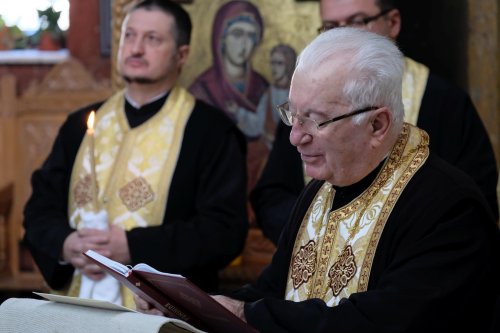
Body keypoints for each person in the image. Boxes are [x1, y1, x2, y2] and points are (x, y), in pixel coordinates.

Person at [136, 28, 500, 332]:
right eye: (293, 114)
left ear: (377, 124)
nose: (295, 137)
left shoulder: (448, 207)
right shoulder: (318, 192)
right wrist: (188, 306)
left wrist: (249, 315)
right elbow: (273, 292)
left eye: (316, 120)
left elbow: (383, 322)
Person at [23, 0, 248, 308]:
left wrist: (133, 246)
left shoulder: (211, 132)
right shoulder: (79, 125)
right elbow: (39, 208)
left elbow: (224, 232)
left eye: (152, 39)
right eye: (129, 36)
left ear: (181, 54)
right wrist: (66, 245)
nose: (136, 48)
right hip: (74, 307)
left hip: (161, 315)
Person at [251, 0, 499, 245]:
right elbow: (273, 195)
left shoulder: (444, 101)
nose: (342, 37)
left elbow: (471, 209)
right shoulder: (308, 101)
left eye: (356, 22)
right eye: (330, 26)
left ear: (392, 22)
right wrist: (319, 233)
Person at [188, 0, 269, 193]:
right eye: (237, 34)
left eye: (251, 36)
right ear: (221, 38)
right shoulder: (201, 89)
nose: (244, 44)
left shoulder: (262, 86)